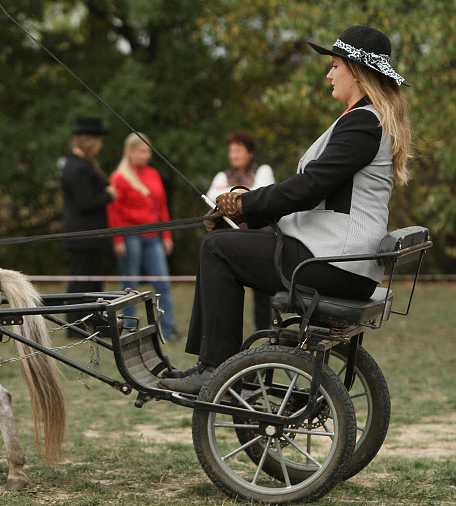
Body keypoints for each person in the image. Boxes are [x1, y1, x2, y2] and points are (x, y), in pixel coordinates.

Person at [160, 25, 412, 394]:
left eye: (336, 65)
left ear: (356, 71)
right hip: (340, 260)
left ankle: (215, 369)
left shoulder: (362, 122)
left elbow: (309, 188)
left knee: (216, 249)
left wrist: (246, 203)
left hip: (332, 263)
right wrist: (248, 213)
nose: (329, 73)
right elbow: (317, 194)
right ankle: (217, 367)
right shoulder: (366, 120)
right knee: (227, 242)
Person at [107, 133, 180, 340]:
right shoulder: (119, 178)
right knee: (131, 283)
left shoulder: (153, 174)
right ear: (129, 152)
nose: (146, 155)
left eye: (148, 150)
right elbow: (114, 212)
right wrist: (118, 239)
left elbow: (161, 207)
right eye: (142, 150)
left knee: (163, 282)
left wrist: (166, 235)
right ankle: (129, 328)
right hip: (130, 236)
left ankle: (168, 328)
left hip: (153, 236)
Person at [207, 130, 276, 331]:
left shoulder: (263, 170)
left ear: (250, 152)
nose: (234, 155)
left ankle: (263, 329)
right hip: (231, 237)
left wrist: (231, 194)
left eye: (238, 150)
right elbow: (212, 196)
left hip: (258, 237)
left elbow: (263, 193)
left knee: (262, 290)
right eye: (231, 150)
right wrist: (243, 193)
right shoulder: (222, 175)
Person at [60, 116, 117, 333]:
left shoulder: (82, 165)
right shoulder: (78, 168)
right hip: (82, 235)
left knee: (92, 282)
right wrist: (108, 195)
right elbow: (85, 202)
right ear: (89, 141)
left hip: (90, 236)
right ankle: (76, 325)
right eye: (99, 140)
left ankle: (92, 321)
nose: (101, 145)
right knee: (82, 282)